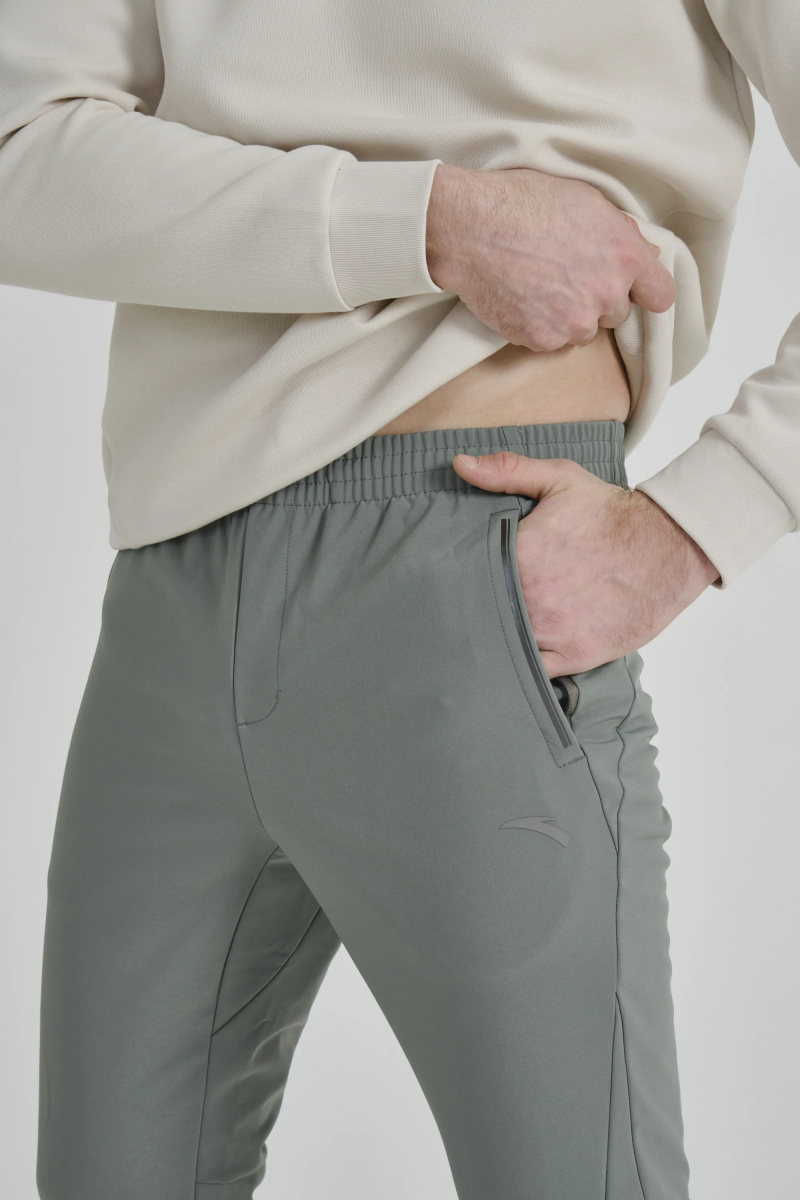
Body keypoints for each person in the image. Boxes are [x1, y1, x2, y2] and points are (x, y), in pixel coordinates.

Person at [1, 0, 797, 1196]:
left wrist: (701, 519)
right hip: (171, 595)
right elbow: (18, 146)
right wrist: (426, 223)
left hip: (469, 566)